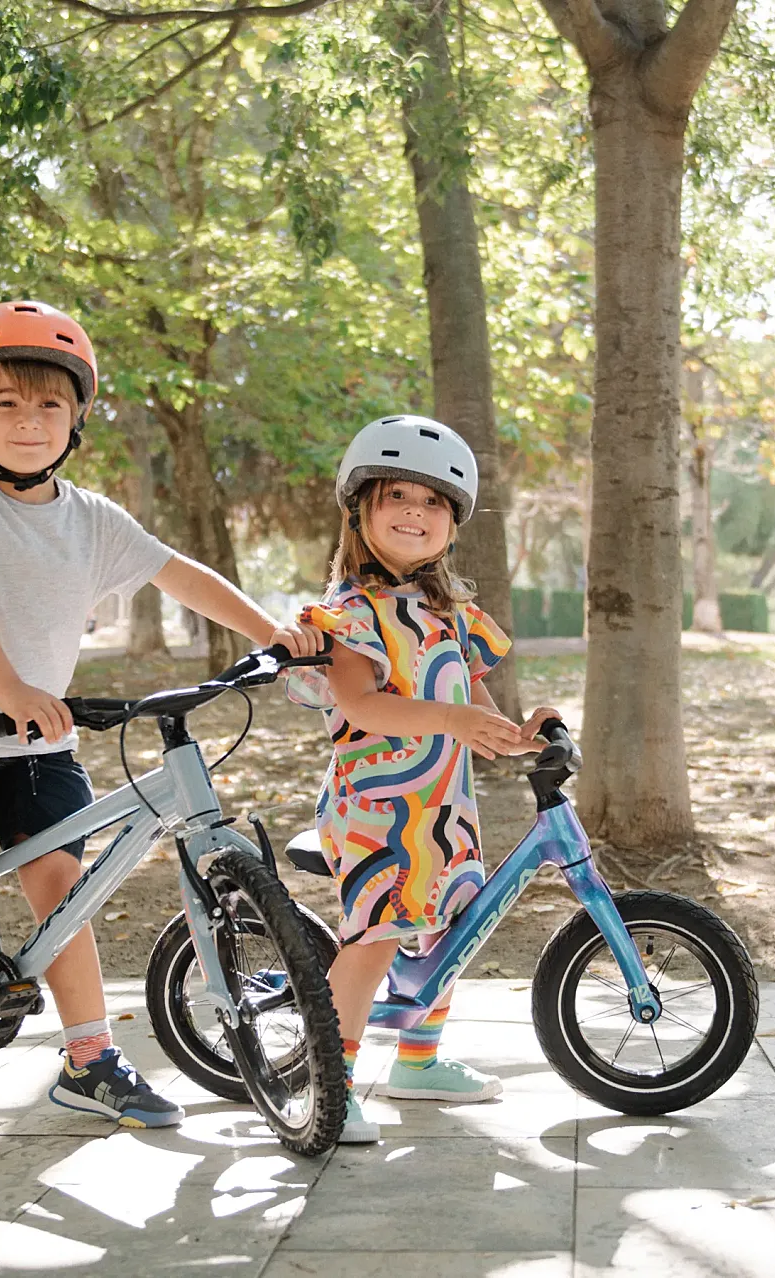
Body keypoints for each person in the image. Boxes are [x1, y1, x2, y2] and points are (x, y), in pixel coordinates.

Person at [0, 300, 322, 1161]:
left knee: (61, 887)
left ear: (78, 416)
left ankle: (89, 1059)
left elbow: (181, 574)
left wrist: (270, 633)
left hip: (37, 738)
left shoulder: (90, 517)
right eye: (4, 403)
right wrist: (9, 684)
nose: (27, 421)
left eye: (49, 404)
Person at [288, 415, 559, 1144]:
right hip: (375, 809)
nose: (415, 511)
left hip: (443, 809)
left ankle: (418, 1059)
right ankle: (331, 1082)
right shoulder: (350, 611)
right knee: (377, 936)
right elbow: (360, 703)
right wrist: (452, 720)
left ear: (453, 521)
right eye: (397, 496)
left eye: (433, 501)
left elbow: (475, 709)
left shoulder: (449, 615)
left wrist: (517, 731)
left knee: (445, 931)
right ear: (360, 510)